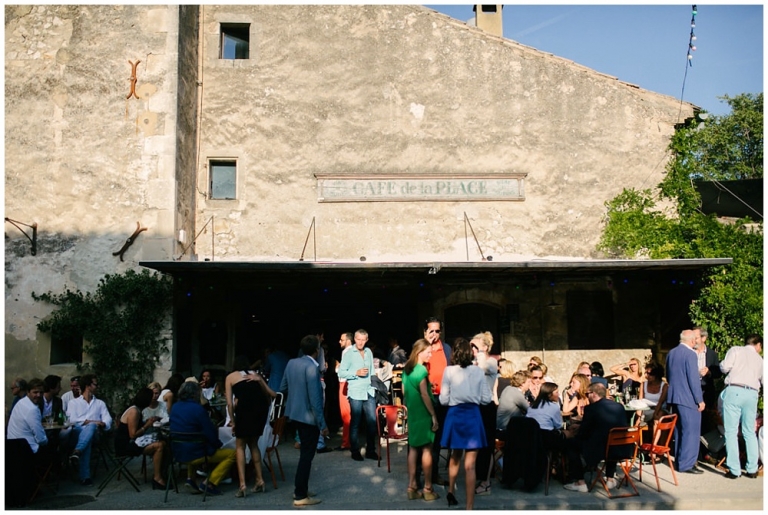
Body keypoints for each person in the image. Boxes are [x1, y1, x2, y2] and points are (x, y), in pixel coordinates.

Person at [439, 337, 492, 510]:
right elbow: (486, 399)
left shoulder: (448, 371)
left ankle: (451, 492)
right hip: (472, 416)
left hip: (455, 415)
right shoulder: (478, 372)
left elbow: (443, 399)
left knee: (455, 456)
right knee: (470, 465)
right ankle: (469, 508)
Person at [280, 334, 329, 506]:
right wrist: (323, 425)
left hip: (295, 413)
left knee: (304, 455)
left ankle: (302, 488)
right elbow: (316, 400)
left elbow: (283, 387)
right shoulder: (312, 368)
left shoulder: (291, 363)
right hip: (309, 417)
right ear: (317, 350)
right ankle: (300, 494)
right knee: (307, 456)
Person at [170, 380, 236, 496]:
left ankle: (191, 479)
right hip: (196, 453)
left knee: (190, 442)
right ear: (196, 393)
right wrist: (218, 445)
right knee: (233, 454)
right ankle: (210, 483)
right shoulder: (198, 409)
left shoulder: (175, 407)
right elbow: (210, 432)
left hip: (177, 452)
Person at [224, 355, 276, 497]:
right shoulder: (255, 375)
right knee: (254, 444)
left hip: (244, 411)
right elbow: (272, 394)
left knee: (240, 446)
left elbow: (229, 403)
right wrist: (260, 380)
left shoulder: (230, 377)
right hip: (259, 412)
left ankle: (242, 484)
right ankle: (260, 480)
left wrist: (233, 420)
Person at [563, 383, 628, 492]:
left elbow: (583, 433)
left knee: (571, 444)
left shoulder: (591, 408)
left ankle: (580, 482)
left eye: (587, 394)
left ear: (593, 394)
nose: (587, 396)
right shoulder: (619, 406)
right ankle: (610, 479)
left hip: (599, 450)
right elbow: (607, 425)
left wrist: (574, 431)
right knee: (611, 440)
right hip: (622, 449)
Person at [719, 334, 763, 479]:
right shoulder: (760, 360)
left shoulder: (736, 350)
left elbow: (725, 368)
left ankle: (734, 470)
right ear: (757, 345)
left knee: (731, 431)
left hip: (735, 389)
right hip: (752, 393)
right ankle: (752, 469)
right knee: (749, 431)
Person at [402, 339, 440, 502]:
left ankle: (411, 487)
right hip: (423, 413)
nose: (430, 354)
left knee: (413, 450)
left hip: (412, 412)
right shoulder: (421, 371)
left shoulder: (407, 369)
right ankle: (427, 488)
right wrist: (433, 415)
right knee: (426, 450)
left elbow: (404, 392)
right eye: (428, 351)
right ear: (419, 352)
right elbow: (425, 394)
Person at [665, 329, 705, 474]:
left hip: (675, 397)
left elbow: (668, 375)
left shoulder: (671, 353)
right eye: (695, 338)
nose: (696, 341)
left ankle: (680, 461)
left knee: (679, 430)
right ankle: (687, 464)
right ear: (691, 340)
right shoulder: (690, 354)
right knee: (691, 431)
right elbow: (693, 380)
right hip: (688, 398)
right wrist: (699, 400)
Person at [63, 374, 113, 486]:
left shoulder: (100, 403)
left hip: (95, 435)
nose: (97, 386)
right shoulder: (73, 403)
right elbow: (72, 420)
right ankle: (85, 476)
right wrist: (94, 422)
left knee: (90, 429)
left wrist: (97, 423)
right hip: (77, 434)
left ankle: (77, 451)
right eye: (95, 384)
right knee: (87, 437)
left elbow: (107, 419)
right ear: (88, 386)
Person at [338, 328, 378, 461]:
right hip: (355, 391)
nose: (360, 342)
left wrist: (375, 386)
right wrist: (356, 373)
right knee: (355, 422)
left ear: (367, 340)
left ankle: (370, 450)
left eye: (363, 340)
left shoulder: (368, 352)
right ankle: (354, 451)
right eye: (358, 339)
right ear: (354, 339)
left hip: (369, 390)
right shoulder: (349, 353)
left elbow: (372, 371)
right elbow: (341, 373)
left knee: (372, 422)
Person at [116, 387, 167, 489]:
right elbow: (133, 434)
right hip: (126, 446)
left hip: (131, 443)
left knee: (162, 441)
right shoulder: (134, 412)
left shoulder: (136, 410)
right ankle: (157, 478)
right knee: (160, 445)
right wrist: (147, 425)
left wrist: (148, 422)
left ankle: (162, 473)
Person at [423, 316, 452, 486]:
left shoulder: (446, 348)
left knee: (437, 438)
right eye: (431, 330)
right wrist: (426, 344)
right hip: (425, 397)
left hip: (443, 397)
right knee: (423, 437)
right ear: (425, 332)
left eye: (437, 330)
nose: (434, 334)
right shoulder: (420, 347)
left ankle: (434, 474)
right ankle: (419, 474)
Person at [470, 331, 498, 497]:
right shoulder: (475, 362)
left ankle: (486, 481)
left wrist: (479, 356)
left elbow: (481, 370)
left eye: (476, 346)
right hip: (475, 406)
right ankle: (478, 475)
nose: (472, 349)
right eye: (471, 346)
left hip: (486, 407)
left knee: (487, 444)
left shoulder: (491, 362)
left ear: (485, 348)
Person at [7, 378, 50, 456]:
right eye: (35, 392)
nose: (39, 395)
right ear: (28, 392)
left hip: (12, 448)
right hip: (28, 450)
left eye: (41, 392)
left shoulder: (20, 403)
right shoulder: (32, 409)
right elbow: (41, 439)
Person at [525, 382, 564, 452]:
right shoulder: (554, 407)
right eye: (556, 392)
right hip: (547, 438)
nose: (559, 394)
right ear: (549, 395)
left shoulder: (532, 406)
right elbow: (559, 425)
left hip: (530, 436)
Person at [693, 327, 722, 411]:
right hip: (691, 391)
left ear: (704, 338)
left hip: (706, 391)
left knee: (705, 420)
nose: (693, 341)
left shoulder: (711, 354)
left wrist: (709, 372)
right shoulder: (689, 352)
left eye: (696, 338)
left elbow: (718, 373)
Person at [335, 332, 354, 451]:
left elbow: (342, 370)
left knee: (346, 413)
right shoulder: (353, 351)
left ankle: (346, 442)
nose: (339, 341)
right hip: (348, 382)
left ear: (348, 341)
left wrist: (337, 367)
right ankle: (349, 440)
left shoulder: (347, 352)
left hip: (345, 383)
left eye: (342, 340)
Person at [496, 370, 531, 434]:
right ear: (522, 384)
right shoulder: (517, 394)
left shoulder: (508, 388)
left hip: (501, 426)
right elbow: (530, 410)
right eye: (528, 382)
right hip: (506, 428)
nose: (530, 384)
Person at [636, 362, 669, 431]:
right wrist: (638, 416)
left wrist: (655, 414)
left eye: (650, 374)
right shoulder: (643, 384)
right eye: (646, 373)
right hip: (646, 410)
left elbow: (660, 402)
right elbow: (640, 401)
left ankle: (655, 441)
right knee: (638, 419)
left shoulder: (664, 386)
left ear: (657, 375)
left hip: (659, 409)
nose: (647, 375)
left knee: (658, 417)